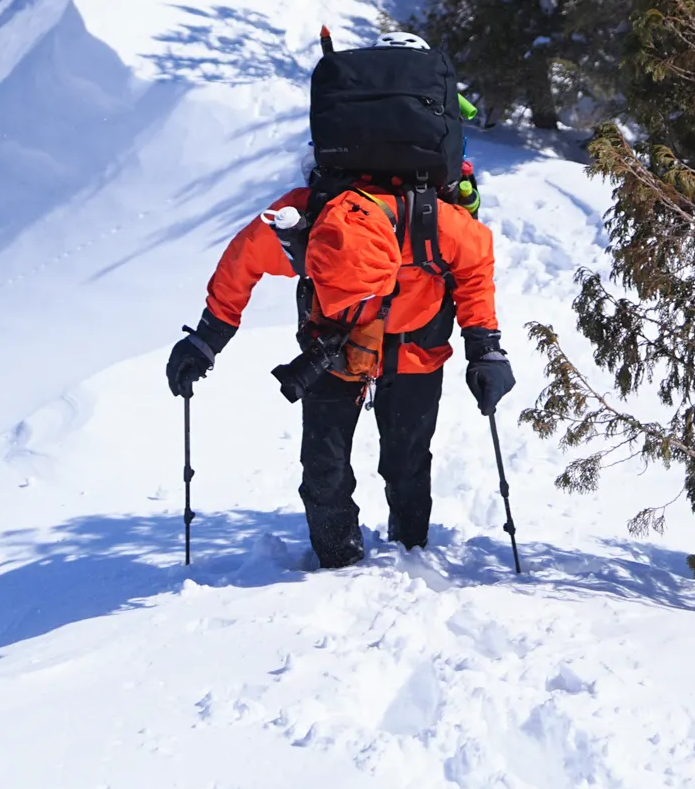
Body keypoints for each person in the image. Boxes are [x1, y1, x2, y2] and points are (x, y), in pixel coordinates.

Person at [167, 162, 513, 568]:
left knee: (407, 461)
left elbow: (475, 268)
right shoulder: (306, 221)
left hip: (414, 345)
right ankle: (337, 562)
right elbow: (242, 260)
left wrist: (485, 346)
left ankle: (411, 549)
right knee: (322, 465)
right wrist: (208, 338)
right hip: (332, 347)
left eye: (355, 300)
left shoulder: (432, 224)